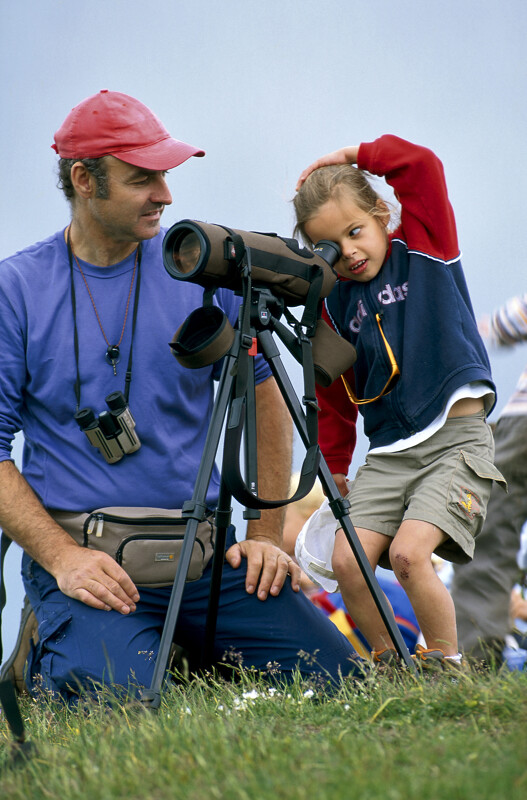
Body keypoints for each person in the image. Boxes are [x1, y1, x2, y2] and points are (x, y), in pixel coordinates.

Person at [0, 90, 362, 699]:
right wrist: (62, 559)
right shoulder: (15, 290)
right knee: (117, 703)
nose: (166, 195)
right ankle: (58, 642)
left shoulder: (198, 270)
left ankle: (180, 654)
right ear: (85, 180)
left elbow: (265, 394)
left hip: (209, 567)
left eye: (165, 176)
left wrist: (267, 535)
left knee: (339, 682)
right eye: (143, 179)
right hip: (95, 569)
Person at [293, 135, 506, 669]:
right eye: (330, 248)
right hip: (388, 456)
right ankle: (393, 669)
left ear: (381, 214)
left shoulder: (424, 249)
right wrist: (335, 468)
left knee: (411, 556)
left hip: (455, 441)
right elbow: (333, 394)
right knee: (348, 562)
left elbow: (423, 167)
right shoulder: (332, 304)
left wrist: (352, 157)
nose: (350, 252)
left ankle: (444, 669)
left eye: (355, 231)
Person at [450, 294, 527, 664]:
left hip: (523, 424)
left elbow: (510, 323)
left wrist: (490, 327)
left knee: (491, 533)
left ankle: (476, 657)